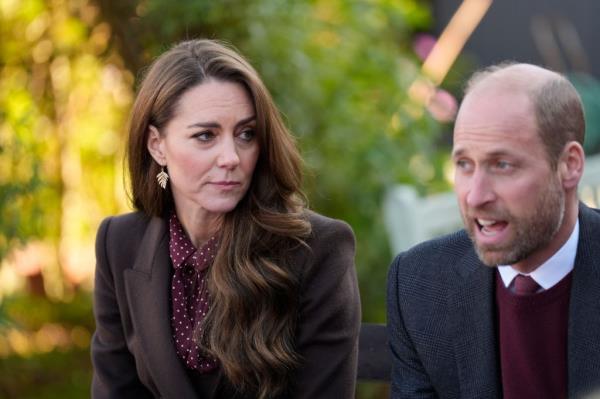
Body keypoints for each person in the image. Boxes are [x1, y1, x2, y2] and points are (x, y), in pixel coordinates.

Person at [91, 39, 360, 399]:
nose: (231, 157)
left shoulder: (315, 250)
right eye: (206, 136)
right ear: (157, 145)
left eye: (246, 134)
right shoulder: (119, 243)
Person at [387, 62, 600, 398]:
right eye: (464, 165)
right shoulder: (420, 284)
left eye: (502, 165)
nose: (476, 195)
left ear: (569, 165)